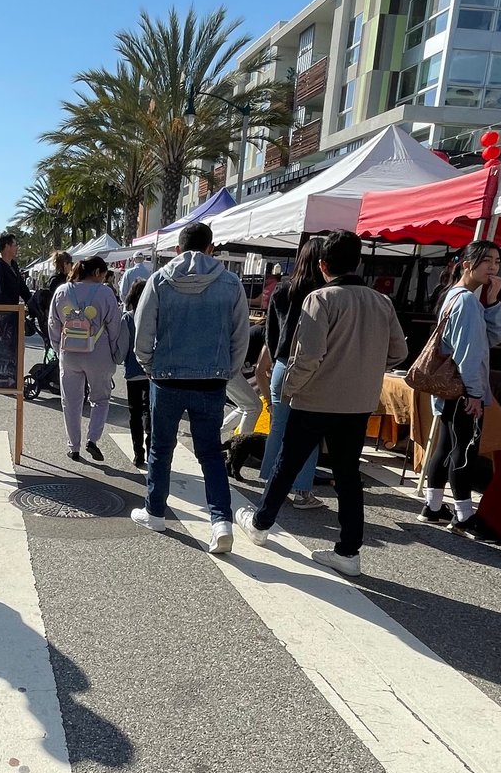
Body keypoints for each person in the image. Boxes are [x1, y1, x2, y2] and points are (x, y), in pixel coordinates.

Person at [235, 230, 407, 577]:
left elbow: (308, 356)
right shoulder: (381, 302)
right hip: (358, 403)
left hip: (316, 397)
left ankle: (261, 522)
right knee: (347, 475)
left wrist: (290, 389)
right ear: (358, 262)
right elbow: (399, 352)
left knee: (288, 463)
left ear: (322, 265)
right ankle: (348, 551)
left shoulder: (321, 299)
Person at [132, 220, 249, 555]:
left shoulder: (159, 280)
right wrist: (227, 372)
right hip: (211, 379)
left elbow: (143, 333)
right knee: (210, 453)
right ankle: (221, 522)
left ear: (178, 249)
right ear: (211, 248)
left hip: (167, 377)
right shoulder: (230, 283)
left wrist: (150, 367)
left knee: (160, 448)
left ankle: (155, 512)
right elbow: (240, 337)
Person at [419, 241, 501, 536]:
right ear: (468, 264)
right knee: (464, 449)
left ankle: (432, 507)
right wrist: (474, 393)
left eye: (497, 262)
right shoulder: (467, 301)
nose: (494, 268)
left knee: (446, 444)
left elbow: (492, 336)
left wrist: (493, 301)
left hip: (449, 387)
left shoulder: (456, 296)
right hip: (463, 388)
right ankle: (463, 515)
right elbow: (469, 352)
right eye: (487, 262)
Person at [258, 236, 327, 510]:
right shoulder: (323, 293)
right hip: (311, 367)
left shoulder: (282, 289)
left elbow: (270, 333)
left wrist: (277, 357)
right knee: (307, 433)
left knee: (279, 426)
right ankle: (302, 491)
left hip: (281, 364)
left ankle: (270, 481)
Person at [47, 255, 123, 463]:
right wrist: (115, 351)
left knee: (70, 402)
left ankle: (74, 447)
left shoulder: (62, 291)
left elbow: (53, 324)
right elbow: (115, 325)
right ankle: (93, 438)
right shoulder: (106, 293)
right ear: (97, 273)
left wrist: (57, 348)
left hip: (69, 353)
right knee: (100, 399)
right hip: (98, 353)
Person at [122, 280, 149, 468]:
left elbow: (123, 347)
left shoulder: (128, 318)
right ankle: (151, 446)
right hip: (152, 372)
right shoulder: (156, 316)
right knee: (150, 412)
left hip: (133, 371)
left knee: (135, 413)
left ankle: (138, 453)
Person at [0, 232, 35, 310]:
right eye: (15, 245)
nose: (17, 248)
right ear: (7, 246)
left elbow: (23, 288)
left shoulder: (14, 265)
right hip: (1, 314)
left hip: (14, 313)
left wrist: (32, 304)